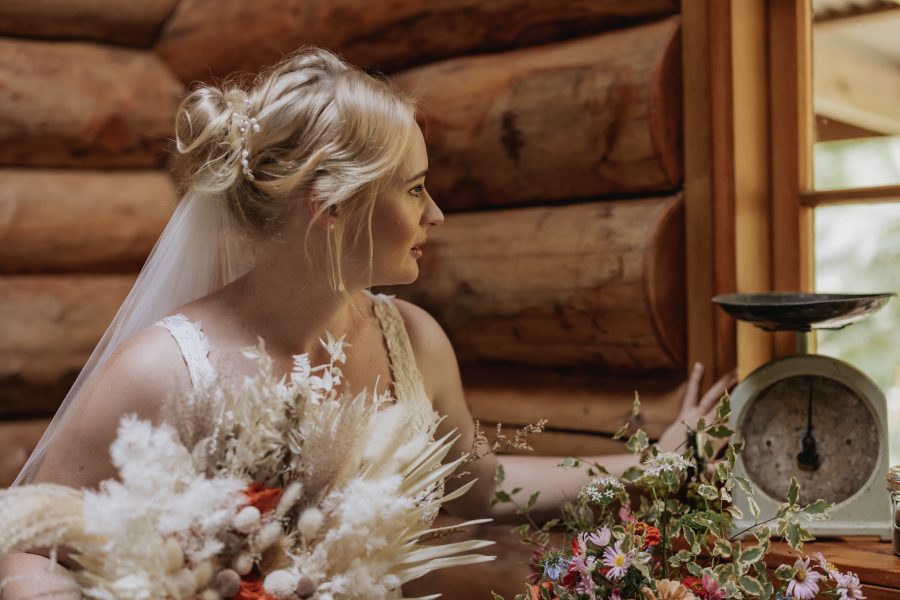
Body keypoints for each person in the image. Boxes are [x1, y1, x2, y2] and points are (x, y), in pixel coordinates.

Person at [0, 47, 735, 599]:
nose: (436, 214)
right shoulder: (163, 370)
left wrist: (651, 467)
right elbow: (26, 546)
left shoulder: (412, 339)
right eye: (415, 189)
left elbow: (474, 485)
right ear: (333, 205)